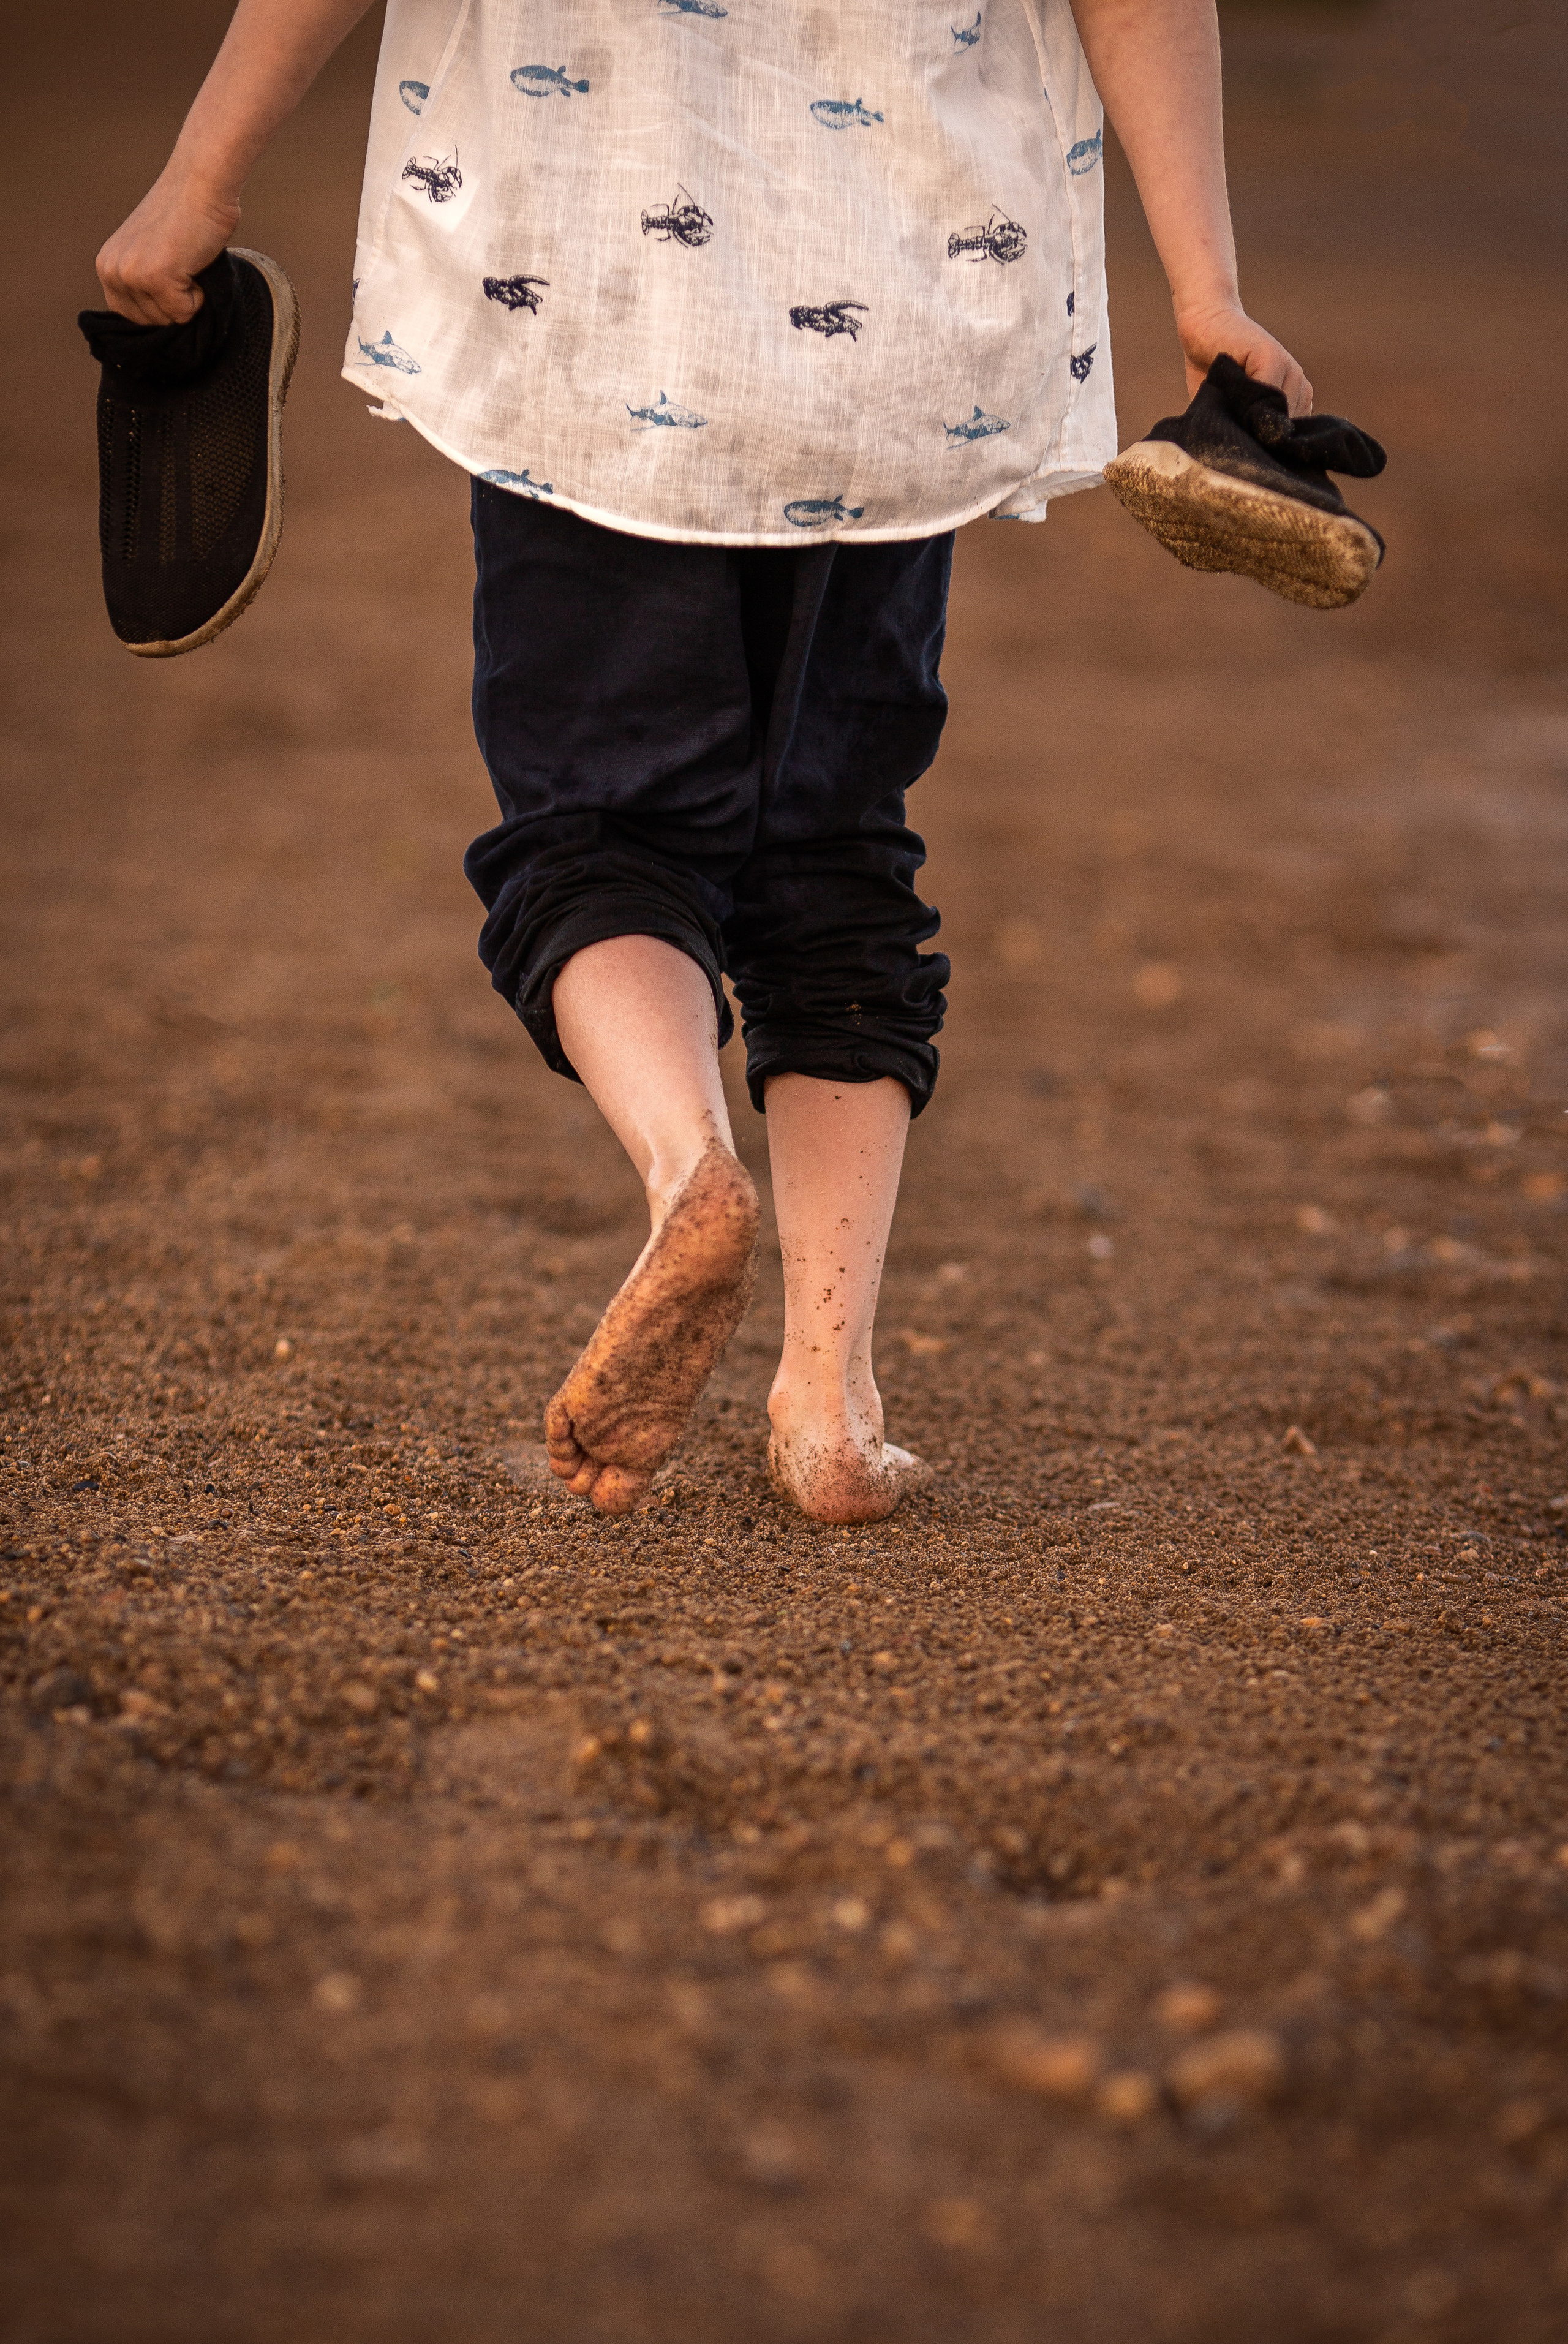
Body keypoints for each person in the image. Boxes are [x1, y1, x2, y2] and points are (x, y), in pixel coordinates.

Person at [96, 0, 1312, 1524]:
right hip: (907, 302)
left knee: (596, 823)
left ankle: (687, 1170)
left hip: (587, 294)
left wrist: (202, 177)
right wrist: (1206, 290)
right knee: (838, 840)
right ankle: (828, 1399)